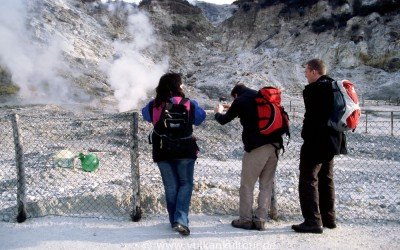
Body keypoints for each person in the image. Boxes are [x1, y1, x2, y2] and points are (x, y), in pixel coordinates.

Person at [142, 72, 206, 236]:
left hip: (162, 149)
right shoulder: (188, 103)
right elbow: (200, 119)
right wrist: (194, 104)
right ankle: (181, 220)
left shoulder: (154, 105)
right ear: (178, 86)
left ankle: (174, 221)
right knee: (185, 184)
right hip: (185, 150)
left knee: (171, 186)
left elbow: (145, 116)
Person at [214, 83, 284, 231]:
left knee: (247, 184)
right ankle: (260, 220)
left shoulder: (240, 101)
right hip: (275, 145)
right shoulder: (261, 97)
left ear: (235, 95)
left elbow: (223, 120)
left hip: (257, 148)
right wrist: (232, 107)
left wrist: (217, 112)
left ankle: (245, 219)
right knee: (266, 185)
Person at [292, 59, 347, 234]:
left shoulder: (314, 89)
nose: (305, 75)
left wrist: (305, 136)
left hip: (316, 142)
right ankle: (329, 219)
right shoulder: (333, 85)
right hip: (333, 142)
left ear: (315, 71)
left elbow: (311, 118)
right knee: (326, 179)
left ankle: (312, 221)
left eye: (307, 71)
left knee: (308, 179)